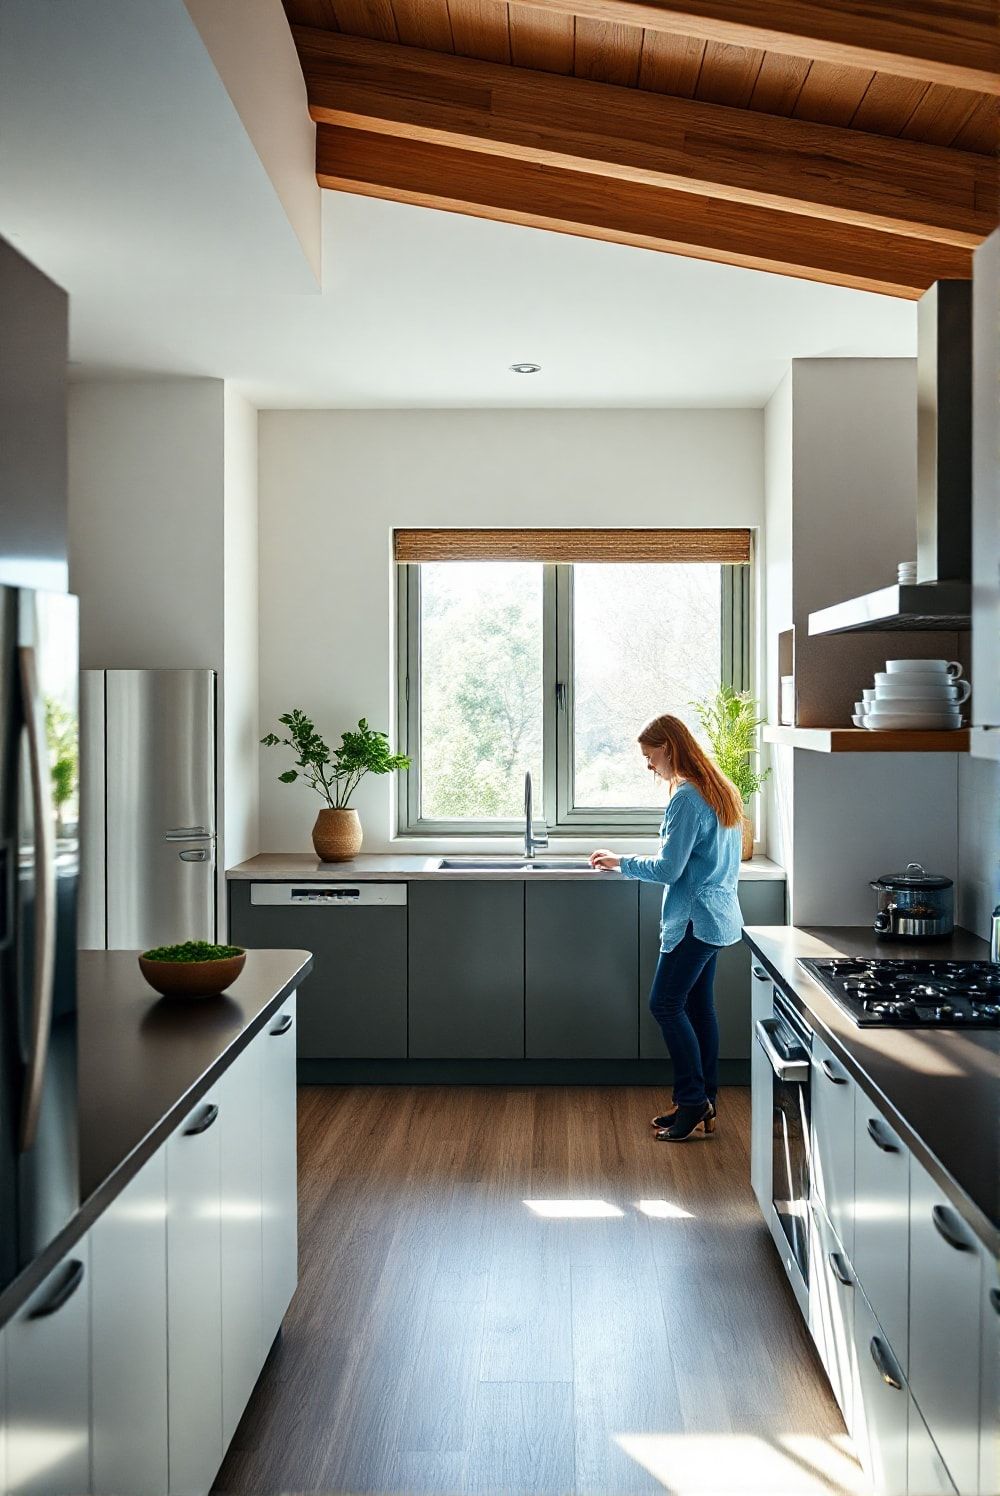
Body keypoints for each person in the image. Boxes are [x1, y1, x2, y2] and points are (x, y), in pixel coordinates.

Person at [589, 713, 744, 1142]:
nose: (648, 765)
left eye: (650, 755)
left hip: (693, 919)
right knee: (699, 1009)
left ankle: (693, 1100)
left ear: (669, 749)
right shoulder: (720, 789)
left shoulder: (688, 798)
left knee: (665, 1004)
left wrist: (621, 861)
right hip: (718, 916)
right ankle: (704, 1100)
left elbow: (671, 869)